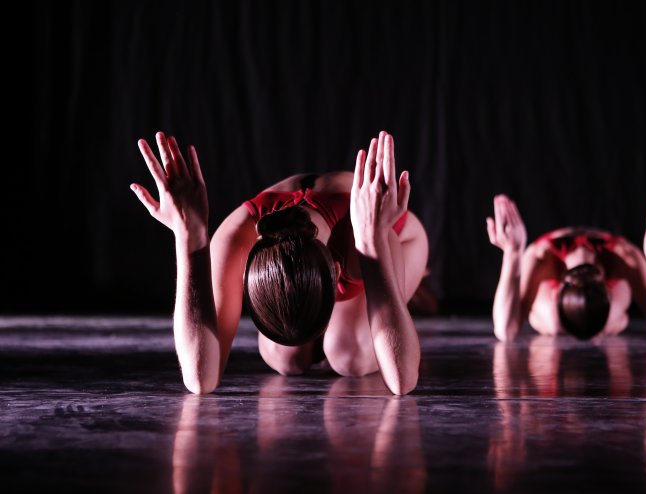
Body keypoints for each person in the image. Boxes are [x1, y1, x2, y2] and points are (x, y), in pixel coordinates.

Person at [131, 131, 428, 395]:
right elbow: (199, 380)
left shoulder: (362, 232)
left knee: (347, 354)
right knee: (286, 359)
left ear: (337, 274)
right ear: (250, 267)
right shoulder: (237, 237)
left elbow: (403, 380)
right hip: (320, 264)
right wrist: (188, 236)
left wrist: (373, 243)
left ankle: (381, 311)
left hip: (400, 242)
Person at [486, 195, 646, 343]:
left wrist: (512, 253)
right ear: (608, 288)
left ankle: (583, 322)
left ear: (558, 292)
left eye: (577, 285)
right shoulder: (624, 257)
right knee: (570, 320)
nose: (582, 275)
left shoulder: (541, 258)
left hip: (555, 313)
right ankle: (608, 322)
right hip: (606, 312)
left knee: (553, 321)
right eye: (590, 286)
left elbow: (505, 330)